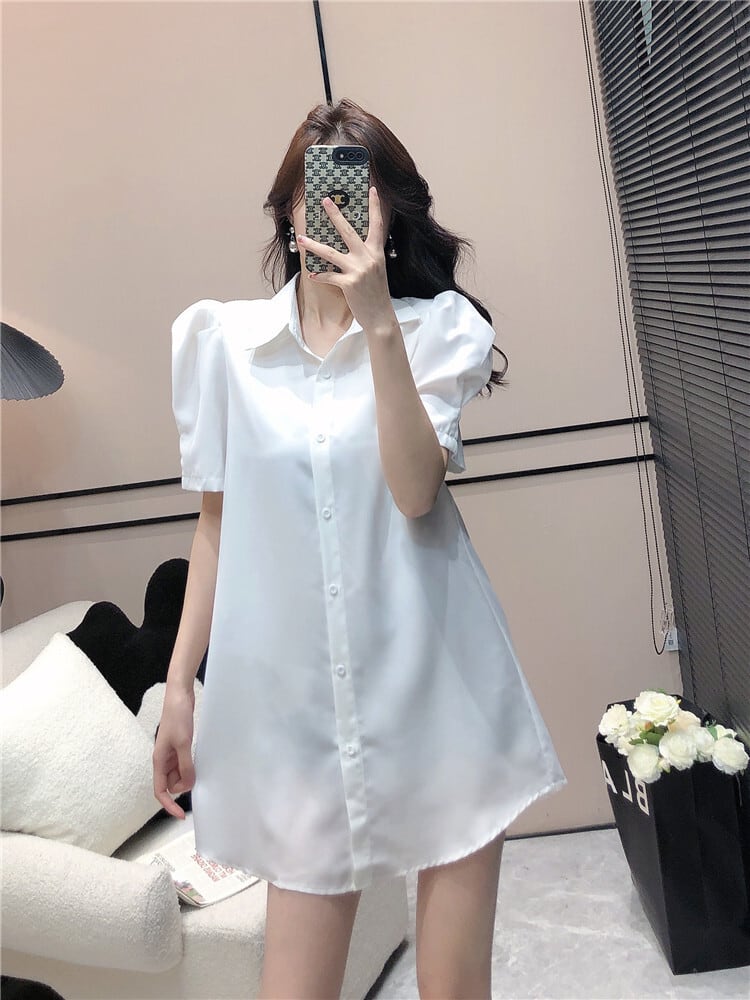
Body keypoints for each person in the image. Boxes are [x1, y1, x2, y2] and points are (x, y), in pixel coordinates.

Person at [154, 98, 567, 1000]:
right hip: (303, 725)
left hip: (442, 698)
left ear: (391, 217)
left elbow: (415, 491)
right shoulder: (223, 346)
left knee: (453, 989)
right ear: (286, 211)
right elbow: (217, 526)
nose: (336, 216)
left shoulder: (436, 332)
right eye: (318, 196)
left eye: (358, 199)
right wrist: (181, 684)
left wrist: (379, 321)